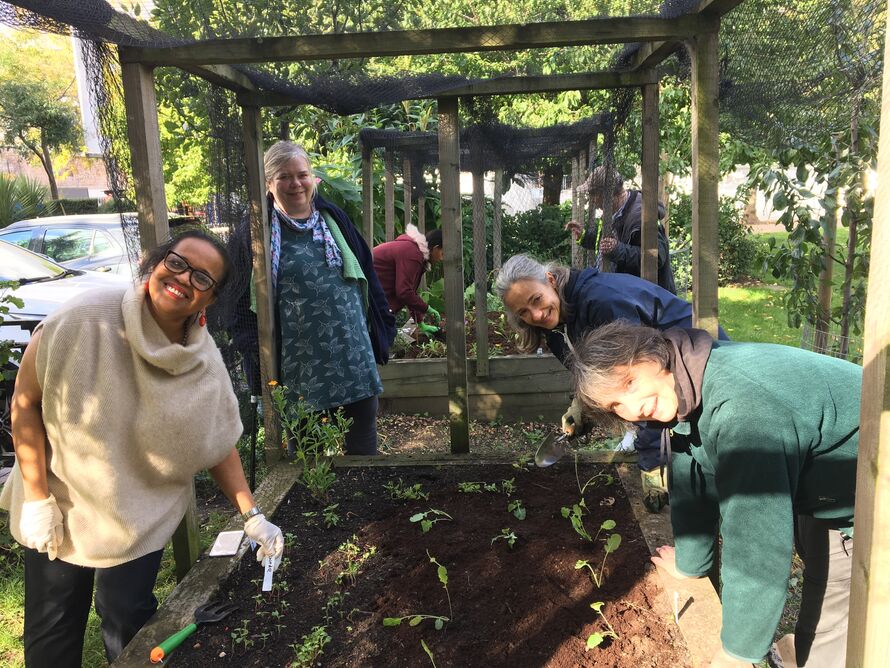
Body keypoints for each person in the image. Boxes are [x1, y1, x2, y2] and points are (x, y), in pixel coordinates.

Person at [0, 230, 285, 666]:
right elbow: (25, 402)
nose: (184, 279)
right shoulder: (83, 318)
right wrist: (38, 498)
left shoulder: (201, 364)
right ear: (154, 264)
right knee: (53, 621)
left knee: (126, 617)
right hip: (61, 497)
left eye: (202, 279)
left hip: (137, 513)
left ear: (209, 300)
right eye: (177, 263)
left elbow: (215, 443)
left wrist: (252, 516)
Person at [569, 321, 859, 668]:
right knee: (827, 588)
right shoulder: (690, 379)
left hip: (873, 488)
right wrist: (692, 562)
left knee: (841, 621)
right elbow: (692, 472)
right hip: (831, 484)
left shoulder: (743, 411)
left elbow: (757, 540)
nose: (634, 409)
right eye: (616, 404)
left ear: (651, 355)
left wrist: (736, 652)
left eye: (629, 383)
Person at [494, 253, 727, 512]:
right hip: (667, 386)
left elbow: (639, 389)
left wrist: (652, 462)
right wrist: (582, 405)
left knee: (713, 468)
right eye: (523, 312)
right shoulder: (556, 327)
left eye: (536, 299)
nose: (536, 314)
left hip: (702, 368)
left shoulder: (602, 304)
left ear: (550, 280)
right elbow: (599, 374)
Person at [229, 141, 396, 456]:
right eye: (284, 176)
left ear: (312, 178)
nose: (295, 184)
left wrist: (383, 323)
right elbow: (237, 298)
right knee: (307, 454)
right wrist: (256, 352)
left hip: (351, 356)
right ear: (268, 183)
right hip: (300, 369)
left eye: (302, 174)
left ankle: (361, 501)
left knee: (363, 446)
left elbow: (366, 271)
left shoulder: (333, 219)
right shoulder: (256, 233)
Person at [566, 165, 676, 294]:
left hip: (649, 300)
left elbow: (656, 257)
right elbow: (607, 242)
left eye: (593, 194)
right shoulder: (615, 211)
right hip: (627, 295)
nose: (592, 200)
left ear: (607, 193)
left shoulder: (641, 217)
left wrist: (618, 250)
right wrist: (584, 236)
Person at [372, 226, 443, 334]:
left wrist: (420, 322)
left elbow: (410, 291)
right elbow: (404, 292)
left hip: (374, 293)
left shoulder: (416, 251)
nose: (441, 259)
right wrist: (426, 308)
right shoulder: (413, 254)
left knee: (383, 335)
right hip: (365, 291)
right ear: (435, 248)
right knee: (382, 337)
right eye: (442, 254)